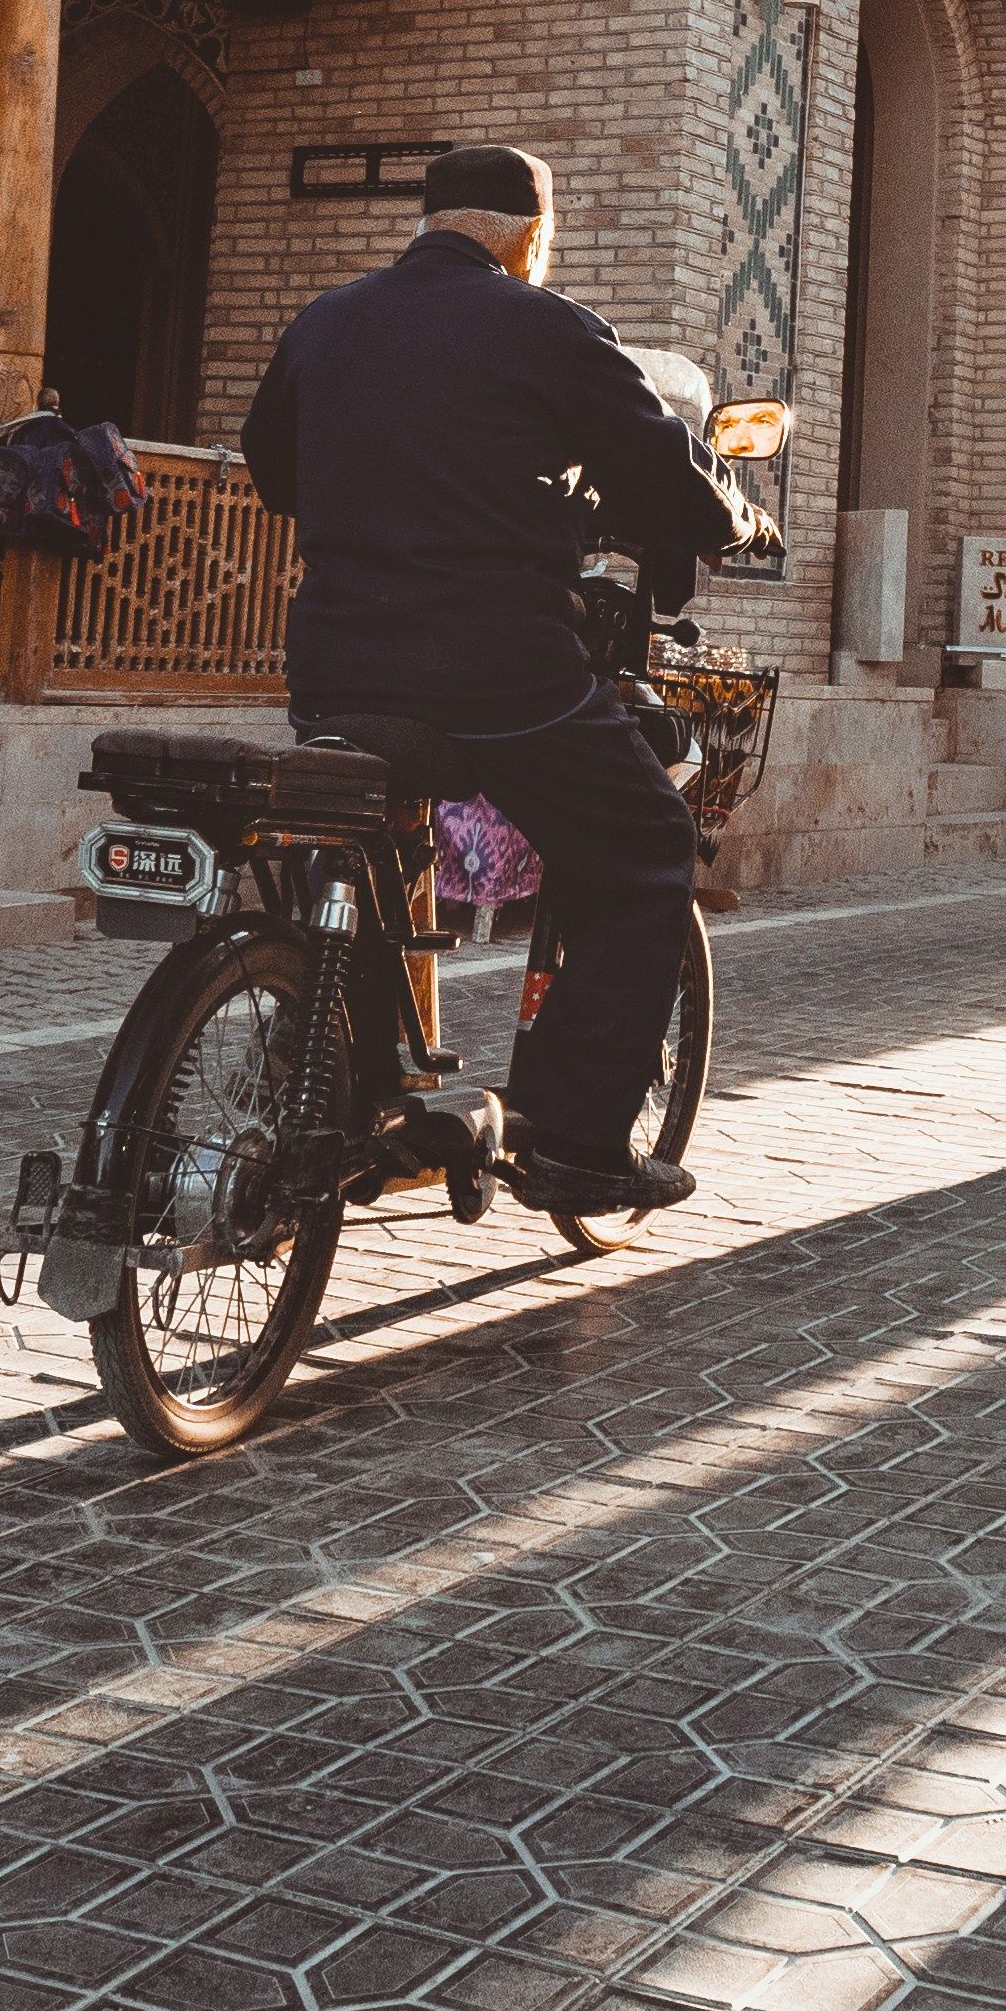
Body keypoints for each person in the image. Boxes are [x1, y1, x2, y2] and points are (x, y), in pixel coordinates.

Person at [233, 143, 735, 1216]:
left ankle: (353, 1083)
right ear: (530, 241)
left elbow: (275, 467)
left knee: (376, 839)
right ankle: (578, 1138)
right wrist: (730, 513)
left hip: (333, 668)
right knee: (646, 843)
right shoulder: (547, 328)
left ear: (428, 223)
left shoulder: (326, 321)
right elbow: (660, 466)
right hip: (499, 675)